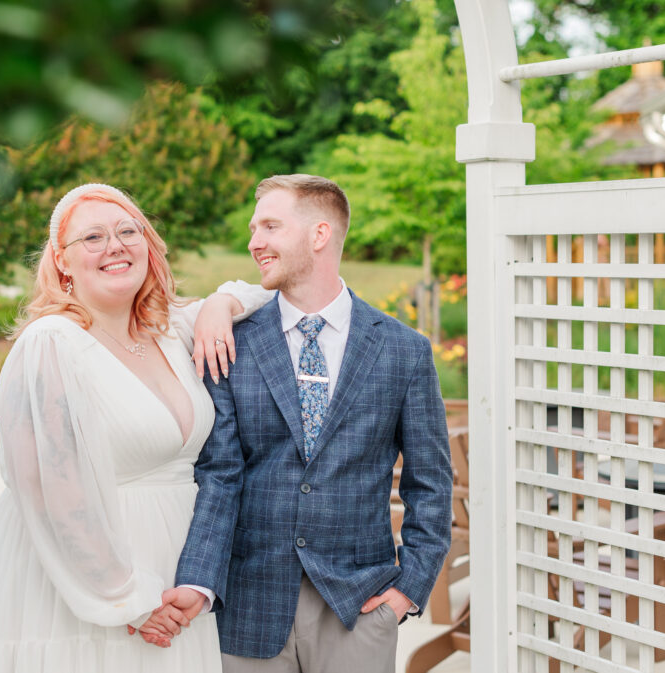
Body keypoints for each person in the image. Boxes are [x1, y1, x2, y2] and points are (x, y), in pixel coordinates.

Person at [0, 183, 272, 673]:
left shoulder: (169, 332)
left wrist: (217, 307)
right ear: (62, 260)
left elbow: (255, 293)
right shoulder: (51, 343)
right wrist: (127, 597)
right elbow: (49, 489)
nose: (116, 245)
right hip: (85, 582)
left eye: (128, 230)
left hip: (177, 574)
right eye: (93, 237)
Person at [163, 174, 453, 672]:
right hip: (250, 607)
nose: (255, 242)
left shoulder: (403, 350)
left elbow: (431, 481)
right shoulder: (232, 343)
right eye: (254, 229)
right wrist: (198, 579)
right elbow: (220, 474)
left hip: (359, 607)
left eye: (270, 226)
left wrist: (409, 589)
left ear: (319, 234)